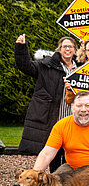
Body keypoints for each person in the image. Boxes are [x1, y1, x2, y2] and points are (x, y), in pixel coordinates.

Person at [14, 34, 77, 172]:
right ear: (59, 49)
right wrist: (21, 48)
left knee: (71, 154)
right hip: (54, 116)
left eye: (70, 47)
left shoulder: (81, 67)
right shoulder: (47, 65)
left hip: (74, 118)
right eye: (64, 46)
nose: (67, 49)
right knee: (54, 153)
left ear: (75, 50)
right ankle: (54, 183)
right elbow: (26, 66)